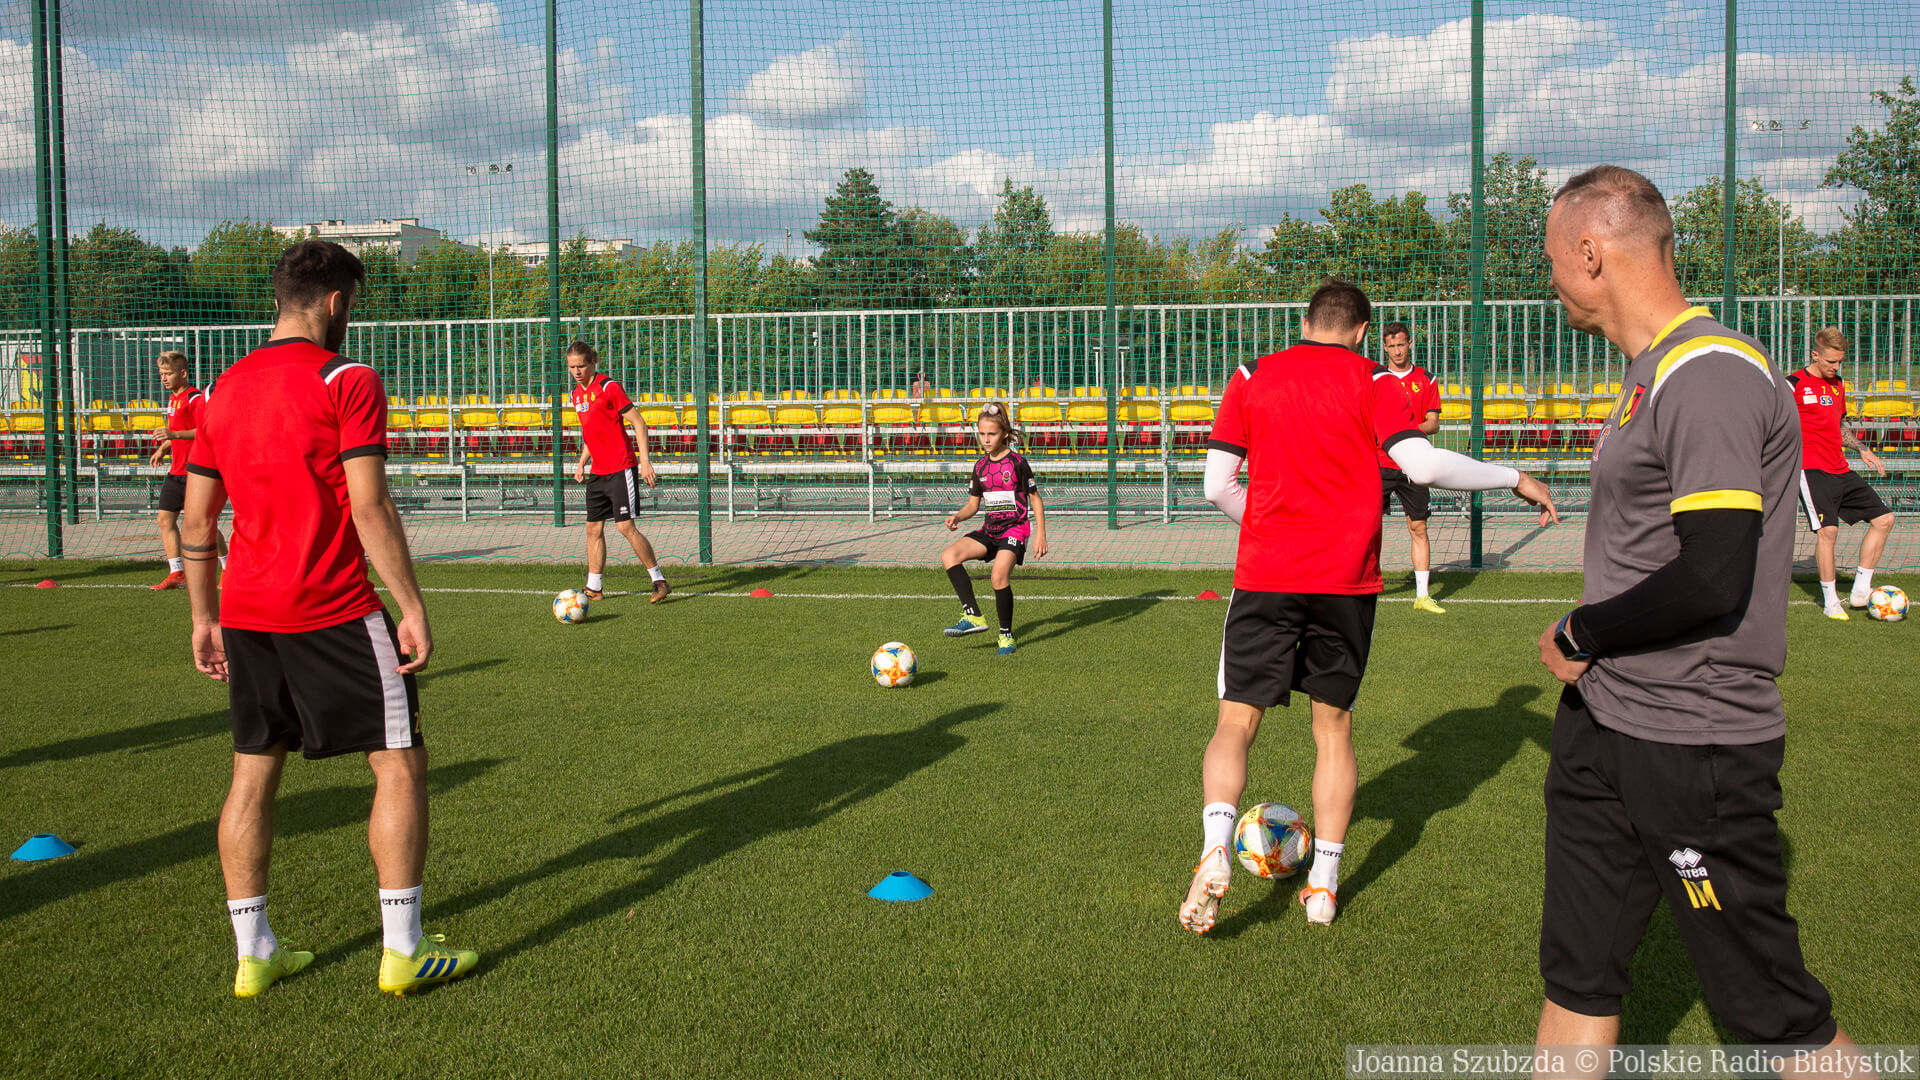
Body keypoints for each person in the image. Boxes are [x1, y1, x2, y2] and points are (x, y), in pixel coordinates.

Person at [1532, 165, 1872, 1072]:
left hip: (1692, 740)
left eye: (1553, 258)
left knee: (1774, 1013)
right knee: (1577, 978)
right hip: (1607, 721)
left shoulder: (1709, 371)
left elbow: (1714, 575)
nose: (1550, 278)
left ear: (1591, 252)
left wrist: (1583, 632)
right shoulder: (1650, 374)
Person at [1181, 279, 1556, 932]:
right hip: (1344, 582)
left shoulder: (1251, 376)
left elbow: (1217, 485)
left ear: (1305, 323)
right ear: (1361, 331)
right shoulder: (1375, 380)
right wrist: (1514, 477)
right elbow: (1423, 466)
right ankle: (1324, 888)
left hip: (1268, 574)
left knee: (1236, 722)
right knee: (1333, 731)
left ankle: (1216, 847)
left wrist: (1270, 528)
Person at [181, 239, 478, 999]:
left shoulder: (219, 392)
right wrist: (411, 605)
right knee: (398, 762)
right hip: (332, 606)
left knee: (252, 773)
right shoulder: (347, 379)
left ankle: (254, 955)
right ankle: (403, 950)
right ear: (338, 301)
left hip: (246, 612)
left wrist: (203, 616)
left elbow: (197, 519)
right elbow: (370, 505)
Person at [1787, 327, 1896, 620]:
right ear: (1815, 355)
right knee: (1829, 531)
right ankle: (1831, 602)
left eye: (1840, 362)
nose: (1836, 367)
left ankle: (1860, 591)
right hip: (1810, 468)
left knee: (1885, 519)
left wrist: (1862, 449)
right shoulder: (1793, 384)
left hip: (1840, 466)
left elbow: (1839, 425)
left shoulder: (1838, 385)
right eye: (1830, 362)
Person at [939, 402, 1047, 656]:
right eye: (982, 434)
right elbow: (973, 505)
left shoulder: (1018, 463)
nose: (986, 439)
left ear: (1005, 434)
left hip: (1015, 529)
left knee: (998, 576)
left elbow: (1035, 499)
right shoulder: (980, 467)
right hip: (990, 530)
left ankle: (1005, 635)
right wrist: (957, 517)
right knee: (949, 555)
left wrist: (1041, 535)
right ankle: (973, 615)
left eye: (992, 434)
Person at [567, 341, 667, 602]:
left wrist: (645, 462)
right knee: (592, 528)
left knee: (625, 527)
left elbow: (639, 424)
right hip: (598, 472)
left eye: (581, 366)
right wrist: (582, 462)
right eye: (572, 367)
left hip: (621, 468)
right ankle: (594, 588)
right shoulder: (576, 395)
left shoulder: (608, 387)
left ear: (592, 362)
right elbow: (592, 432)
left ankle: (659, 581)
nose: (576, 371)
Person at [1374, 322, 1446, 612]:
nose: (1397, 351)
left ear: (1410, 344)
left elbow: (1433, 423)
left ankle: (1422, 595)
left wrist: (1402, 431)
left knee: (1418, 526)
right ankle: (1365, 586)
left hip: (1414, 464)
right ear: (1384, 347)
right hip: (1379, 463)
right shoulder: (1374, 378)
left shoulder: (1426, 379)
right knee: (1368, 527)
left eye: (1401, 345)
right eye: (1391, 346)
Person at [146, 350, 223, 589]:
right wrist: (163, 448)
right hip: (176, 471)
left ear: (183, 373)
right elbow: (178, 432)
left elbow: (205, 430)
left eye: (168, 373)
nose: (163, 378)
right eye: (161, 373)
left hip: (195, 472)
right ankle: (177, 571)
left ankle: (228, 567)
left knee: (203, 523)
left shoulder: (194, 398)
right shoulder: (173, 399)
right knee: (164, 520)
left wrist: (174, 434)